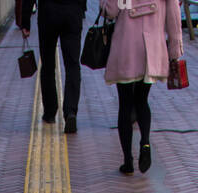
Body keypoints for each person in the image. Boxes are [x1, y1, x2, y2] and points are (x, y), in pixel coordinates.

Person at [100, 0, 183, 174]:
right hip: (151, 49)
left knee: (125, 104)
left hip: (126, 47)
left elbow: (111, 10)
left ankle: (128, 161)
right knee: (142, 100)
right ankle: (145, 142)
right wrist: (175, 48)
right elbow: (173, 13)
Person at [20, 0, 87, 133]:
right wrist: (81, 7)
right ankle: (70, 111)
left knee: (48, 65)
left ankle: (50, 112)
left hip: (48, 14)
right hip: (73, 13)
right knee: (72, 65)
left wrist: (25, 21)